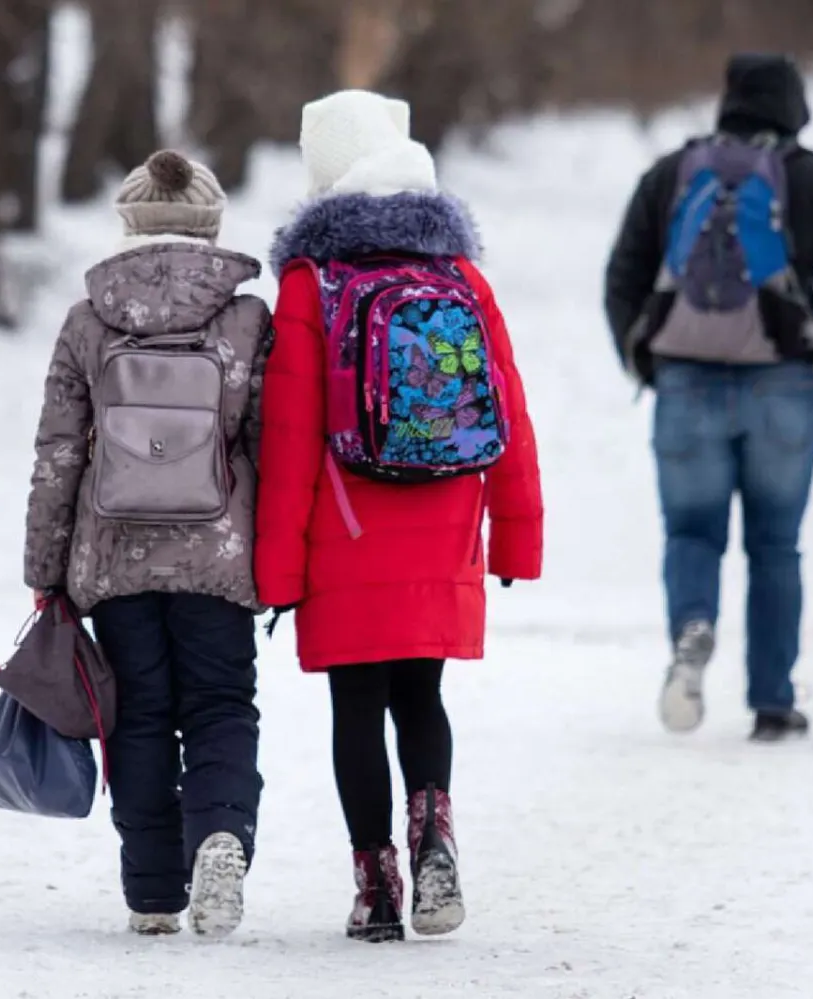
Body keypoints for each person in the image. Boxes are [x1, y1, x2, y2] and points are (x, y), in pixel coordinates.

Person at [257, 90, 544, 942]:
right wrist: (517, 534)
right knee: (422, 694)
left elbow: (289, 439)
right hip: (448, 516)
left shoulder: (312, 283)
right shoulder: (459, 275)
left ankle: (376, 882)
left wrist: (276, 570)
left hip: (346, 530)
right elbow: (510, 414)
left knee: (357, 706)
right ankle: (435, 836)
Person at [23, 150, 271, 938]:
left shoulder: (88, 319)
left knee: (137, 717)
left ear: (128, 224)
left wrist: (44, 569)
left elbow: (59, 451)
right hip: (219, 557)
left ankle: (155, 892)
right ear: (211, 224)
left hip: (114, 556)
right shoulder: (245, 319)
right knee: (221, 704)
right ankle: (222, 838)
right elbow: (274, 444)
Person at [604, 54, 813, 742]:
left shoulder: (671, 173)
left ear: (728, 101)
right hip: (782, 380)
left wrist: (643, 354)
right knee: (775, 545)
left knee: (692, 532)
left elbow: (625, 271)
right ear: (794, 104)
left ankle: (693, 628)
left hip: (684, 377)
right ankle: (771, 699)